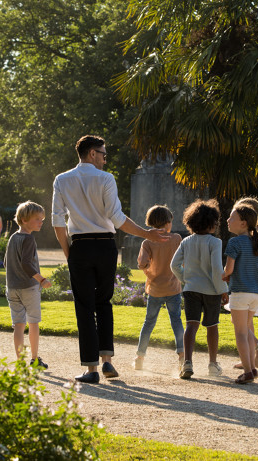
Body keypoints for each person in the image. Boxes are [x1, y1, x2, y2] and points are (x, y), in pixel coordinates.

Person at [52, 135, 169, 383]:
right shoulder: (106, 179)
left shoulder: (62, 180)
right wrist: (145, 233)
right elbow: (117, 218)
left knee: (84, 308)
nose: (106, 158)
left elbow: (57, 221)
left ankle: (91, 369)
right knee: (104, 302)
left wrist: (68, 252)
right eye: (104, 154)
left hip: (80, 246)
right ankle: (107, 362)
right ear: (92, 153)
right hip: (106, 245)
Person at [171, 199, 228, 379]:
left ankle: (187, 362)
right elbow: (217, 270)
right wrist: (223, 290)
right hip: (211, 291)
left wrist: (186, 280)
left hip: (191, 290)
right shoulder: (215, 242)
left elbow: (174, 265)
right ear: (213, 223)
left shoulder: (186, 241)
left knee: (191, 326)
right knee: (212, 326)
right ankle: (212, 364)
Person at [134, 205, 184, 372]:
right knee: (176, 321)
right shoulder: (176, 238)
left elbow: (142, 263)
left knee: (149, 323)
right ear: (168, 223)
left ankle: (140, 357)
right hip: (174, 288)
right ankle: (182, 356)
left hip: (155, 288)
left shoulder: (147, 242)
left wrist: (149, 269)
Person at [4, 200, 52, 368]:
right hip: (29, 288)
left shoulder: (13, 237)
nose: (41, 222)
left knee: (18, 325)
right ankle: (34, 359)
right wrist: (42, 280)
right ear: (24, 220)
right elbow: (26, 264)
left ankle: (19, 362)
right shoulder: (29, 239)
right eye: (37, 219)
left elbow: (6, 263)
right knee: (33, 323)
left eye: (42, 219)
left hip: (12, 287)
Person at [223, 205, 258, 384]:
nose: (227, 220)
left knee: (240, 332)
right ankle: (252, 369)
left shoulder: (234, 242)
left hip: (240, 291)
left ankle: (248, 371)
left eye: (231, 218)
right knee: (247, 330)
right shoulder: (257, 243)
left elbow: (229, 269)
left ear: (242, 223)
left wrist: (222, 275)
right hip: (256, 293)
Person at [228, 197, 258, 370]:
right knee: (245, 320)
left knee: (241, 323)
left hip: (244, 281)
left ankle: (253, 349)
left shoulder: (246, 239)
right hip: (255, 283)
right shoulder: (256, 238)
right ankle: (250, 356)